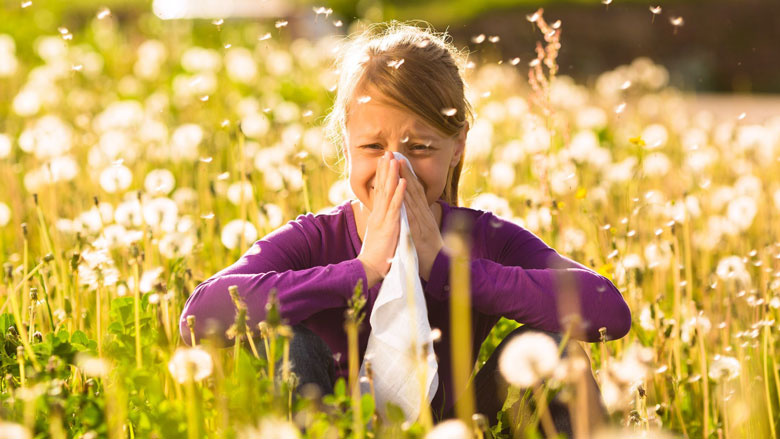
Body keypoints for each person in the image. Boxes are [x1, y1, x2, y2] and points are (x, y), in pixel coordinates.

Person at [179, 21, 631, 436]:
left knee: (555, 350)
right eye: (373, 146)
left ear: (457, 147)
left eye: (419, 147)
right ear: (346, 145)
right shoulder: (316, 238)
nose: (395, 168)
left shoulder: (483, 238)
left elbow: (609, 310)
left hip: (454, 429)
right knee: (286, 343)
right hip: (329, 424)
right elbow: (199, 317)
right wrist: (362, 270)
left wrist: (451, 271)